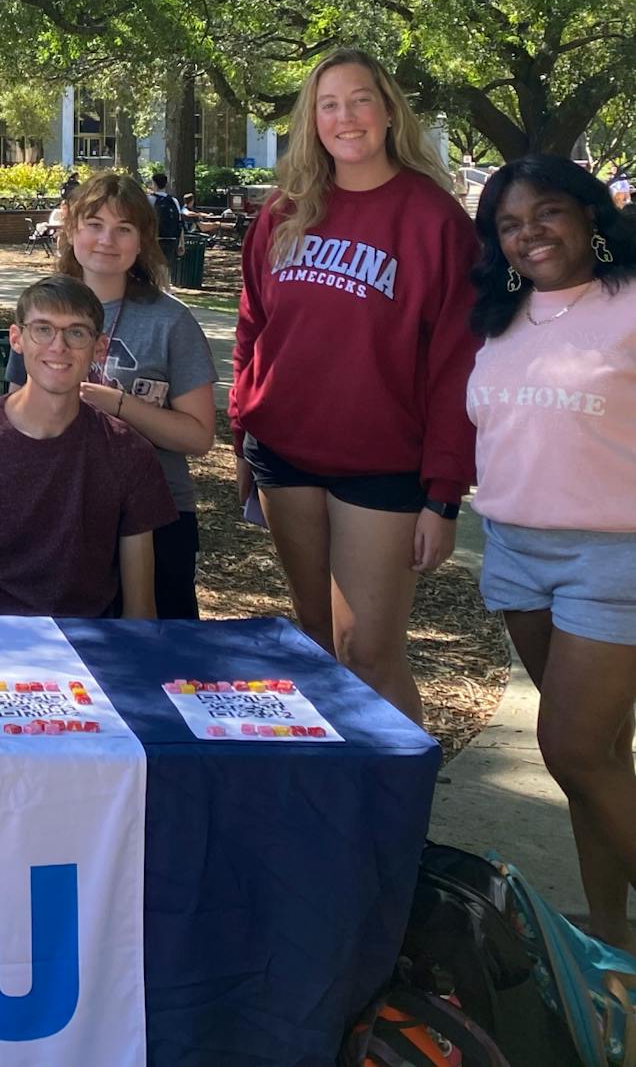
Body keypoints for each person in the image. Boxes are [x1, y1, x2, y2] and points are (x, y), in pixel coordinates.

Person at [231, 47, 480, 723]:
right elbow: (253, 326)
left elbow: (457, 365)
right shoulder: (285, 211)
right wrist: (241, 429)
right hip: (283, 455)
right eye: (329, 104)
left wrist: (444, 495)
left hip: (383, 466)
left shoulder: (434, 220)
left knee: (367, 650)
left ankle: (400, 791)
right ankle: (337, 783)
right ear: (312, 121)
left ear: (389, 110)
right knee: (315, 638)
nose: (347, 117)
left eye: (361, 99)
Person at [465, 154, 636, 948]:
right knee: (597, 758)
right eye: (509, 224)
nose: (529, 234)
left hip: (613, 558)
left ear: (589, 215)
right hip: (516, 553)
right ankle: (610, 937)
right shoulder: (501, 318)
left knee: (570, 746)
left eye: (547, 213)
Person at [5, 172, 217, 618]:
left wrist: (118, 405)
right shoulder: (41, 309)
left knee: (157, 647)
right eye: (94, 225)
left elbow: (199, 437)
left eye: (124, 229)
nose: (107, 240)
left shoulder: (171, 322)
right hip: (58, 508)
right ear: (71, 231)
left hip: (161, 514)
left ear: (142, 242)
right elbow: (12, 422)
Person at [0, 275, 175, 617]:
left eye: (76, 332)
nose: (58, 346)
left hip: (89, 643)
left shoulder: (129, 452)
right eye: (43, 329)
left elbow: (140, 611)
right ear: (17, 339)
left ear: (99, 347)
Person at [150, 172, 184, 276]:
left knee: (154, 267)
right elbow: (180, 222)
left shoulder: (149, 199)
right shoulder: (173, 201)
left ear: (154, 184)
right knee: (166, 267)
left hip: (155, 238)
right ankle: (165, 284)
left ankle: (157, 284)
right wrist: (182, 242)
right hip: (171, 239)